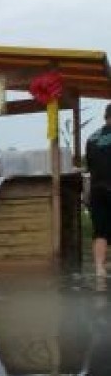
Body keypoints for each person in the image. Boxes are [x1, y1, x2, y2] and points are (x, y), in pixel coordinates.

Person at [85, 102, 111, 280]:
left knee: (100, 231)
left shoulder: (92, 138)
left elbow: (90, 166)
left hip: (97, 190)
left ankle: (99, 269)